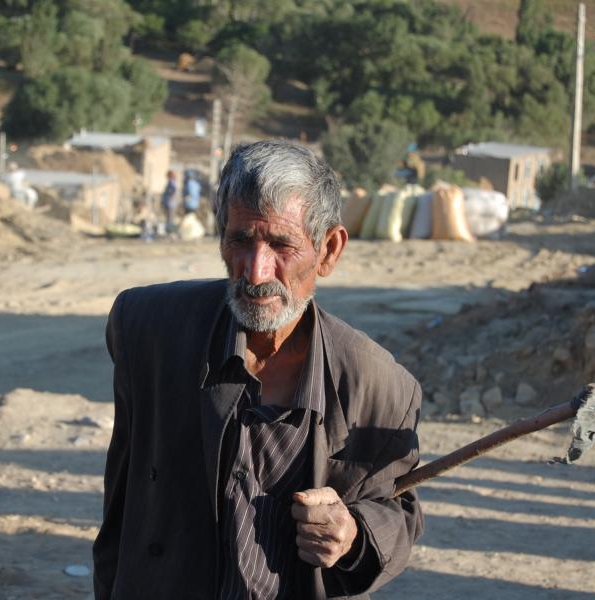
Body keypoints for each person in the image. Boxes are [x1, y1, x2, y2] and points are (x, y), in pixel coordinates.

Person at [94, 140, 424, 600]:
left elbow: (398, 510)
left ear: (328, 250)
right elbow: (121, 501)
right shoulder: (147, 330)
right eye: (241, 240)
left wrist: (352, 534)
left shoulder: (380, 387)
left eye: (281, 244)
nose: (255, 271)